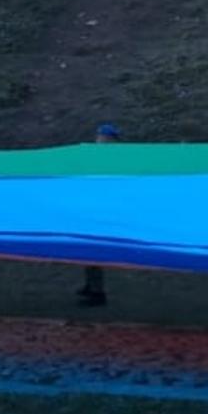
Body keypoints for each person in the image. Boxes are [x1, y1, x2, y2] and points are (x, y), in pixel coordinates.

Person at [76, 122, 121, 307]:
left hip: (101, 212)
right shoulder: (94, 156)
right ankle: (91, 285)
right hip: (91, 209)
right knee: (87, 249)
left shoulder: (113, 159)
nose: (101, 140)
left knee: (93, 251)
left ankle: (97, 292)